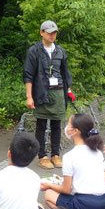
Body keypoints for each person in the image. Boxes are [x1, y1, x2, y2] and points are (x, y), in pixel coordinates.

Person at [41, 114, 105, 209]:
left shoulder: (70, 156)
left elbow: (66, 190)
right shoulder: (97, 151)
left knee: (49, 194)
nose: (66, 127)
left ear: (76, 131)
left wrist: (49, 185)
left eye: (68, 124)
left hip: (87, 205)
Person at [23, 20, 74, 169]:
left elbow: (65, 73)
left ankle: (56, 154)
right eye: (49, 32)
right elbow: (28, 75)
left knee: (57, 124)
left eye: (55, 32)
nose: (53, 35)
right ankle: (42, 156)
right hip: (41, 91)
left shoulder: (60, 51)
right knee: (41, 125)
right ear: (42, 33)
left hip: (58, 92)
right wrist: (29, 96)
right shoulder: (34, 51)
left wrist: (68, 91)